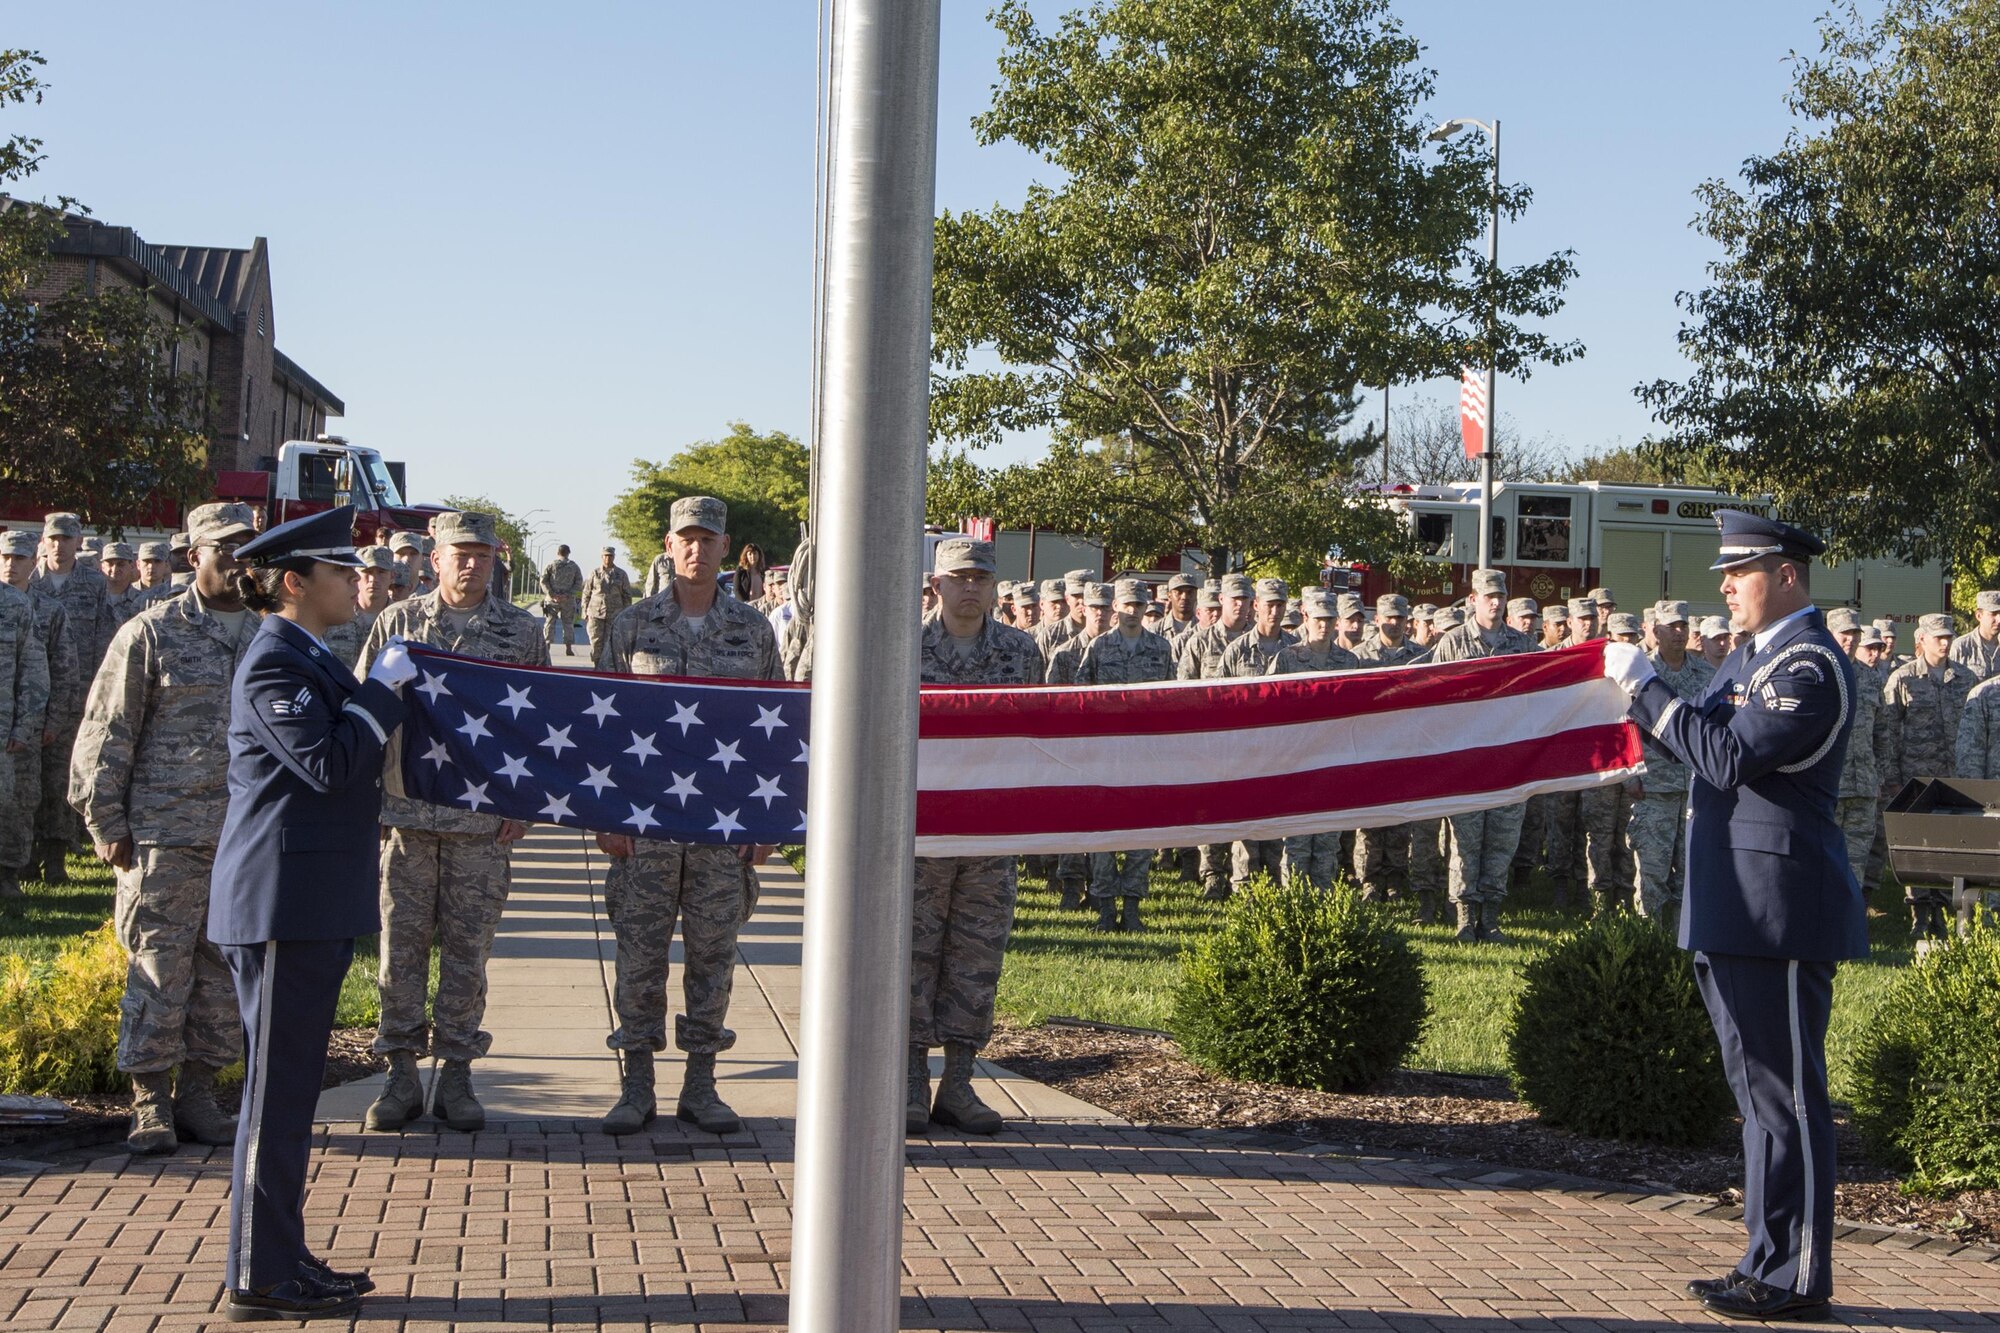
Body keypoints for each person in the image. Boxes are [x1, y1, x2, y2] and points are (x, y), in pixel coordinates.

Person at [1604, 510, 1863, 1324]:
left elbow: (1718, 753)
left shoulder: (1809, 664)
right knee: (1757, 1096)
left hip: (1779, 911)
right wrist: (1652, 699)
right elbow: (1703, 734)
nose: (1723, 585)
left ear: (1786, 574)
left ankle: (1797, 1275)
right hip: (1732, 904)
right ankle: (1765, 1258)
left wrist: (1646, 686)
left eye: (1739, 570)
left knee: (1787, 1095)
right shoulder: (1750, 657)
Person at [208, 505, 415, 1320]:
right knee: (275, 1096)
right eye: (340, 570)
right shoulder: (272, 663)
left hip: (306, 903)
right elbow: (329, 762)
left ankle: (282, 1254)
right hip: (279, 907)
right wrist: (379, 696)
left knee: (290, 1092)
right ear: (295, 582)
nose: (356, 581)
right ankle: (259, 1273)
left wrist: (369, 693)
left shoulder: (306, 657)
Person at [69, 502, 261, 1155]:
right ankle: (149, 1100)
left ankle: (199, 1095)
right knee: (158, 965)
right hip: (162, 836)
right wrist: (107, 819)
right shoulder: (152, 633)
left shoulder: (270, 636)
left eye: (245, 549)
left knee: (223, 970)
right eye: (223, 549)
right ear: (191, 557)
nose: (236, 561)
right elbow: (105, 732)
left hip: (244, 840)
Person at [357, 511, 548, 1133]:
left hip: (481, 823)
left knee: (469, 953)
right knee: (401, 952)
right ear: (433, 559)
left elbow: (538, 725)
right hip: (408, 818)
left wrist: (524, 804)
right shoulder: (397, 622)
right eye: (458, 553)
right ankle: (401, 1075)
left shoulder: (521, 631)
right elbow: (369, 710)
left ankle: (458, 1075)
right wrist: (369, 804)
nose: (471, 564)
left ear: (498, 559)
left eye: (483, 555)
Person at [597, 497, 781, 1138]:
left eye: (708, 539)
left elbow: (773, 732)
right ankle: (637, 1084)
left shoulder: (754, 631)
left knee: (714, 954)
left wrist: (767, 821)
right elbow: (605, 726)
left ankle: (701, 1084)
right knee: (639, 956)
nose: (696, 550)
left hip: (722, 826)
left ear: (726, 548)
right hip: (646, 824)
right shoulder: (631, 625)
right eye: (685, 539)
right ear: (669, 546)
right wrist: (607, 814)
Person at [908, 537, 1043, 1136]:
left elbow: (1039, 733)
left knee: (977, 954)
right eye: (958, 577)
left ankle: (958, 1084)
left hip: (988, 834)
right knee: (911, 954)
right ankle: (909, 1082)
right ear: (936, 584)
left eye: (980, 579)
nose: (970, 588)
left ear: (994, 587)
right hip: (916, 833)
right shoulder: (903, 645)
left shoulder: (1021, 651)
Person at [1428, 569, 1537, 942]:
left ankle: (1490, 918)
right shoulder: (1453, 643)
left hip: (1509, 764)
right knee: (1465, 844)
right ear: (1472, 600)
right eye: (1488, 595)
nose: (1495, 601)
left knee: (1502, 842)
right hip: (1467, 763)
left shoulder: (1522, 646)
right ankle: (1463, 917)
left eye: (1501, 595)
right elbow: (1435, 701)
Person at [1077, 578, 1176, 930]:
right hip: (1105, 756)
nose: (1132, 611)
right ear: (1115, 606)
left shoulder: (1161, 649)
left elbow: (1172, 701)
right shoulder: (1099, 648)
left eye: (1138, 604)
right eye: (1126, 604)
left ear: (1146, 607)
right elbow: (1080, 700)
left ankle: (1132, 908)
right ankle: (1105, 908)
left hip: (1146, 756)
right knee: (1104, 834)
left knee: (1142, 834)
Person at [1880, 612, 1972, 940]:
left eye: (1948, 637)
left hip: (1951, 779)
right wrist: (1891, 776)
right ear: (1921, 640)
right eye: (1938, 638)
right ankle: (1919, 912)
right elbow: (1888, 731)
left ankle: (1942, 909)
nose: (1945, 643)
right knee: (1918, 848)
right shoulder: (1903, 679)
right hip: (1914, 779)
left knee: (1948, 846)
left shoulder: (1964, 678)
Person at [1623, 601, 1713, 929]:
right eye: (1671, 627)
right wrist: (1629, 776)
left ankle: (1680, 936)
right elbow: (1623, 727)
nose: (1679, 632)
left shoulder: (1705, 673)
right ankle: (1649, 935)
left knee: (1688, 870)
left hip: (1695, 788)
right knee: (1652, 870)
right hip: (1652, 789)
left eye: (1683, 626)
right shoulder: (1640, 672)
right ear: (1655, 631)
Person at [3, 529, 79, 887]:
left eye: (18, 558)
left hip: (23, 723)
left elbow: (55, 670)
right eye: (4, 557)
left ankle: (26, 867)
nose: (10, 565)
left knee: (28, 796)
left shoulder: (46, 610)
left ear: (33, 563)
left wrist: (47, 719)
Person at [1178, 572, 1256, 898]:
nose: (1239, 605)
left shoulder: (1260, 644)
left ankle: (1245, 878)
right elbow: (1184, 693)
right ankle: (1212, 874)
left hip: (1250, 744)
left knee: (1247, 810)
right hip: (1210, 742)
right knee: (1211, 810)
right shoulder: (1199, 642)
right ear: (1221, 600)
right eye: (1233, 598)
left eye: (1245, 599)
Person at [0, 559, 47, 900]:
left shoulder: (14, 604)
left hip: (3, 733)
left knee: (7, 807)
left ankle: (6, 876)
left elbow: (32, 670)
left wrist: (24, 724)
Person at [323, 546, 394, 671]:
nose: (373, 579)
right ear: (356, 574)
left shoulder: (401, 619)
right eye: (367, 572)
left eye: (381, 572)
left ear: (392, 576)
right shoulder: (334, 615)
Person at [582, 545, 636, 667]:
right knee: (596, 641)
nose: (608, 559)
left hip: (615, 614)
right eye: (605, 556)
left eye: (610, 556)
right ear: (602, 557)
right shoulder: (595, 573)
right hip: (595, 613)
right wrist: (584, 611)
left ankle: (606, 668)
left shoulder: (621, 574)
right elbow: (586, 593)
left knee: (610, 642)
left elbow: (627, 596)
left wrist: (626, 614)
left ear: (614, 557)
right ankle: (596, 665)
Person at [539, 544, 584, 657]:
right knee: (568, 624)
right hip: (567, 600)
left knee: (550, 622)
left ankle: (547, 646)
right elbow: (579, 582)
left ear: (558, 553)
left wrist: (551, 594)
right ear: (568, 553)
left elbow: (543, 581)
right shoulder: (574, 567)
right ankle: (568, 648)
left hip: (552, 600)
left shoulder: (551, 565)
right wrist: (568, 595)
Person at [1950, 591, 2000, 681]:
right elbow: (1950, 686)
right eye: (1993, 614)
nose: (1999, 619)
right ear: (1979, 616)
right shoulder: (1962, 647)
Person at [101, 543, 151, 628]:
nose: (115, 569)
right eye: (110, 564)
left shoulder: (143, 601)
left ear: (132, 566)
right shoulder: (93, 597)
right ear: (102, 566)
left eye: (121, 564)